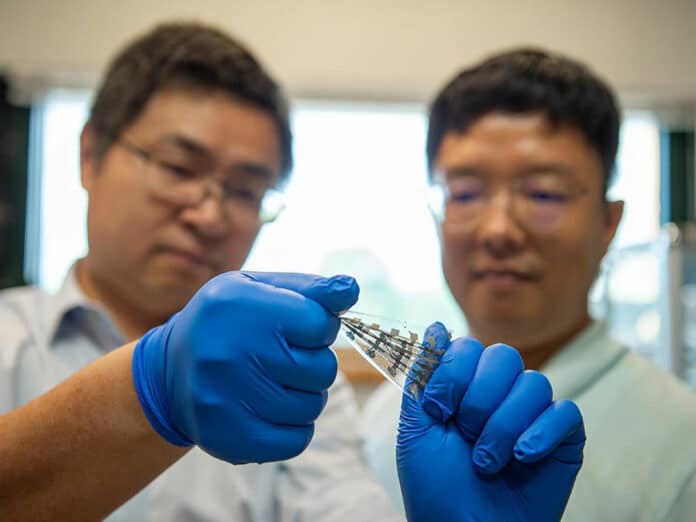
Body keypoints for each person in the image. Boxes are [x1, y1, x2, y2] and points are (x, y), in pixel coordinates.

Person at [0, 25, 585, 521]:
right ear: (88, 153)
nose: (208, 214)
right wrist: (145, 389)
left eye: (246, 189)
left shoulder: (297, 383)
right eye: (178, 166)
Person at [361, 47, 696, 521]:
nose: (498, 229)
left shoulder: (683, 447)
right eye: (466, 193)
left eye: (543, 193)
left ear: (608, 223)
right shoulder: (386, 417)